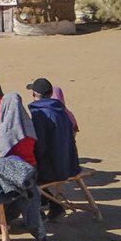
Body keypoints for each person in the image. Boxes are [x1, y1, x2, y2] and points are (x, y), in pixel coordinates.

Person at [27, 78, 81, 221]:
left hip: (54, 167)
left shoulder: (40, 114)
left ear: (34, 94)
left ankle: (37, 213)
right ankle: (53, 205)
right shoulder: (61, 110)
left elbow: (40, 146)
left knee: (25, 175)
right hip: (69, 163)